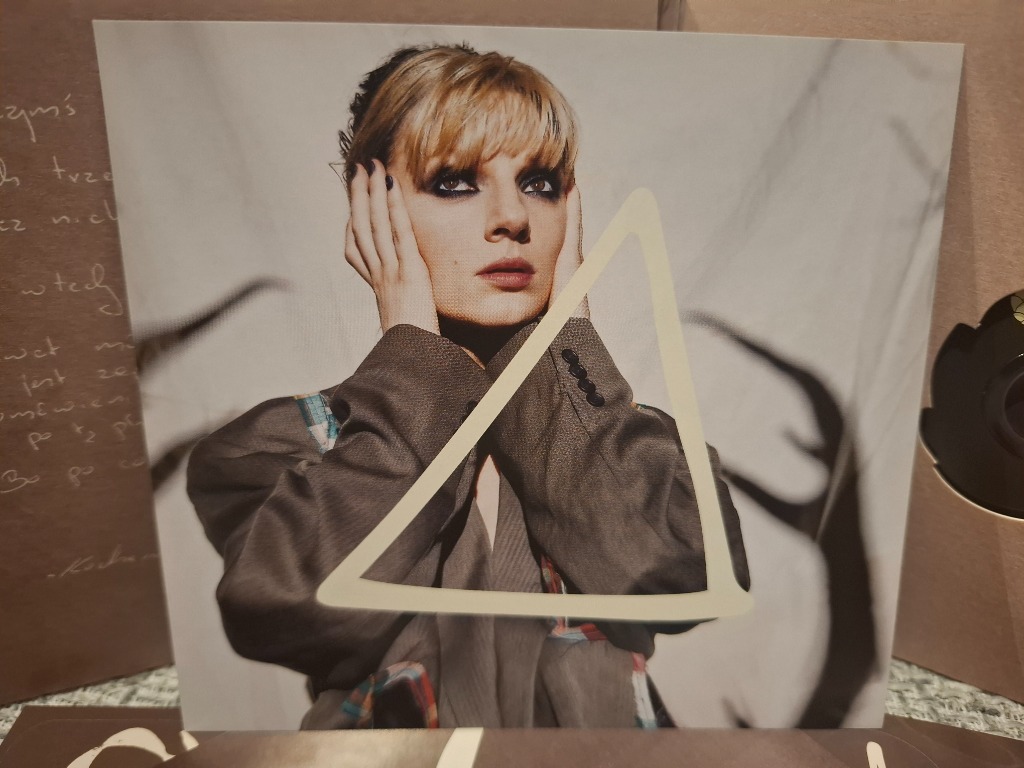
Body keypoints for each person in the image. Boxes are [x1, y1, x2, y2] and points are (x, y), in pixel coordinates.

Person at [186, 43, 749, 730]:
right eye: (455, 182)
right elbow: (291, 609)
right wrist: (413, 359)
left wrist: (567, 336)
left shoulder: (636, 440)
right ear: (374, 210)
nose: (513, 218)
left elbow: (679, 580)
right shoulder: (276, 447)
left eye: (540, 183)